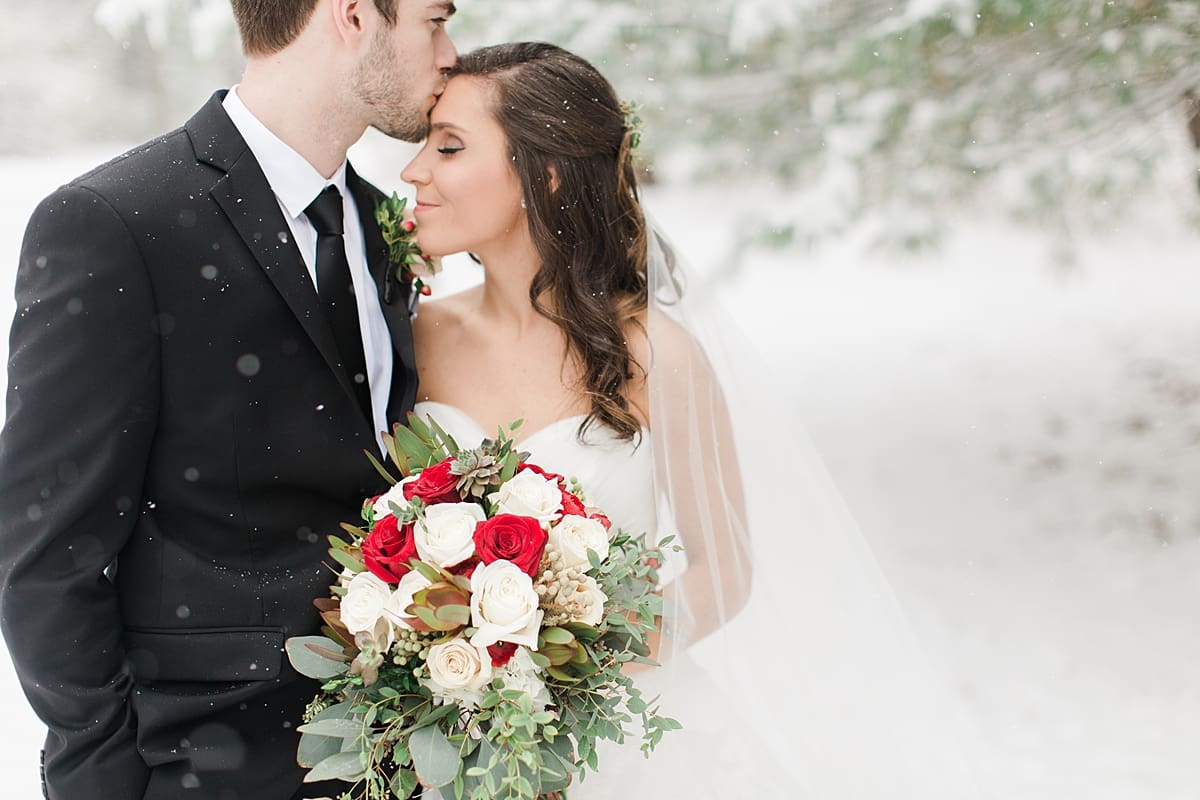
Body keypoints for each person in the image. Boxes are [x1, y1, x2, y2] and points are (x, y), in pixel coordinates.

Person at [401, 42, 985, 799]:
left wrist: (566, 672)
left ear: (544, 174)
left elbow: (724, 566)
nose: (414, 170)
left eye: (448, 147)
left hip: (622, 748)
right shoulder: (414, 341)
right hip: (447, 743)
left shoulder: (653, 355)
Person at [0, 2, 456, 799]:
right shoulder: (117, 221)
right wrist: (103, 776)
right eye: (436, 20)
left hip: (389, 758)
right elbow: (46, 550)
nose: (450, 52)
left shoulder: (382, 226)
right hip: (201, 760)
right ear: (354, 15)